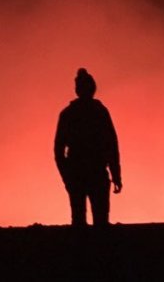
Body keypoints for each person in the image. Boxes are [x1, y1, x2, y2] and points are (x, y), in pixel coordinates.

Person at [54, 68, 122, 227]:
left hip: (80, 174)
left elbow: (58, 151)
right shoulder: (100, 112)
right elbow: (111, 145)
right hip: (94, 173)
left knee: (79, 222)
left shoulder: (69, 114)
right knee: (100, 223)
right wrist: (116, 175)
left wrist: (67, 175)